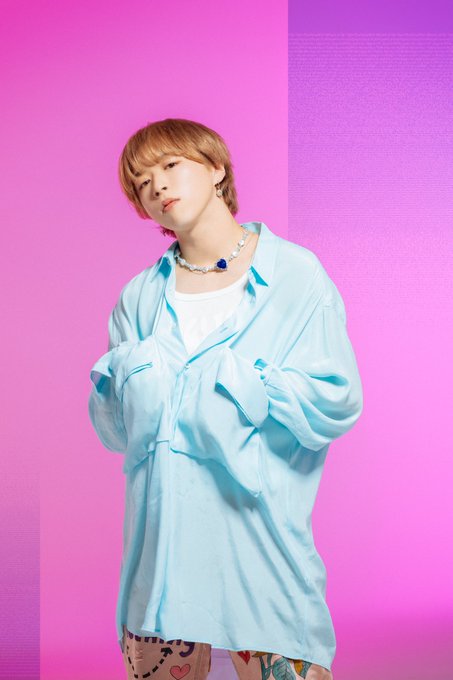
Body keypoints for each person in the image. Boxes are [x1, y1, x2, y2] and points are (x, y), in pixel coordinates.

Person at [88, 118, 363, 680]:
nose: (158, 186)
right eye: (142, 183)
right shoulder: (138, 298)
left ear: (217, 168)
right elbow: (115, 430)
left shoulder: (294, 276)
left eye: (170, 166)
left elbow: (335, 400)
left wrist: (246, 382)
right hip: (159, 575)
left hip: (261, 561)